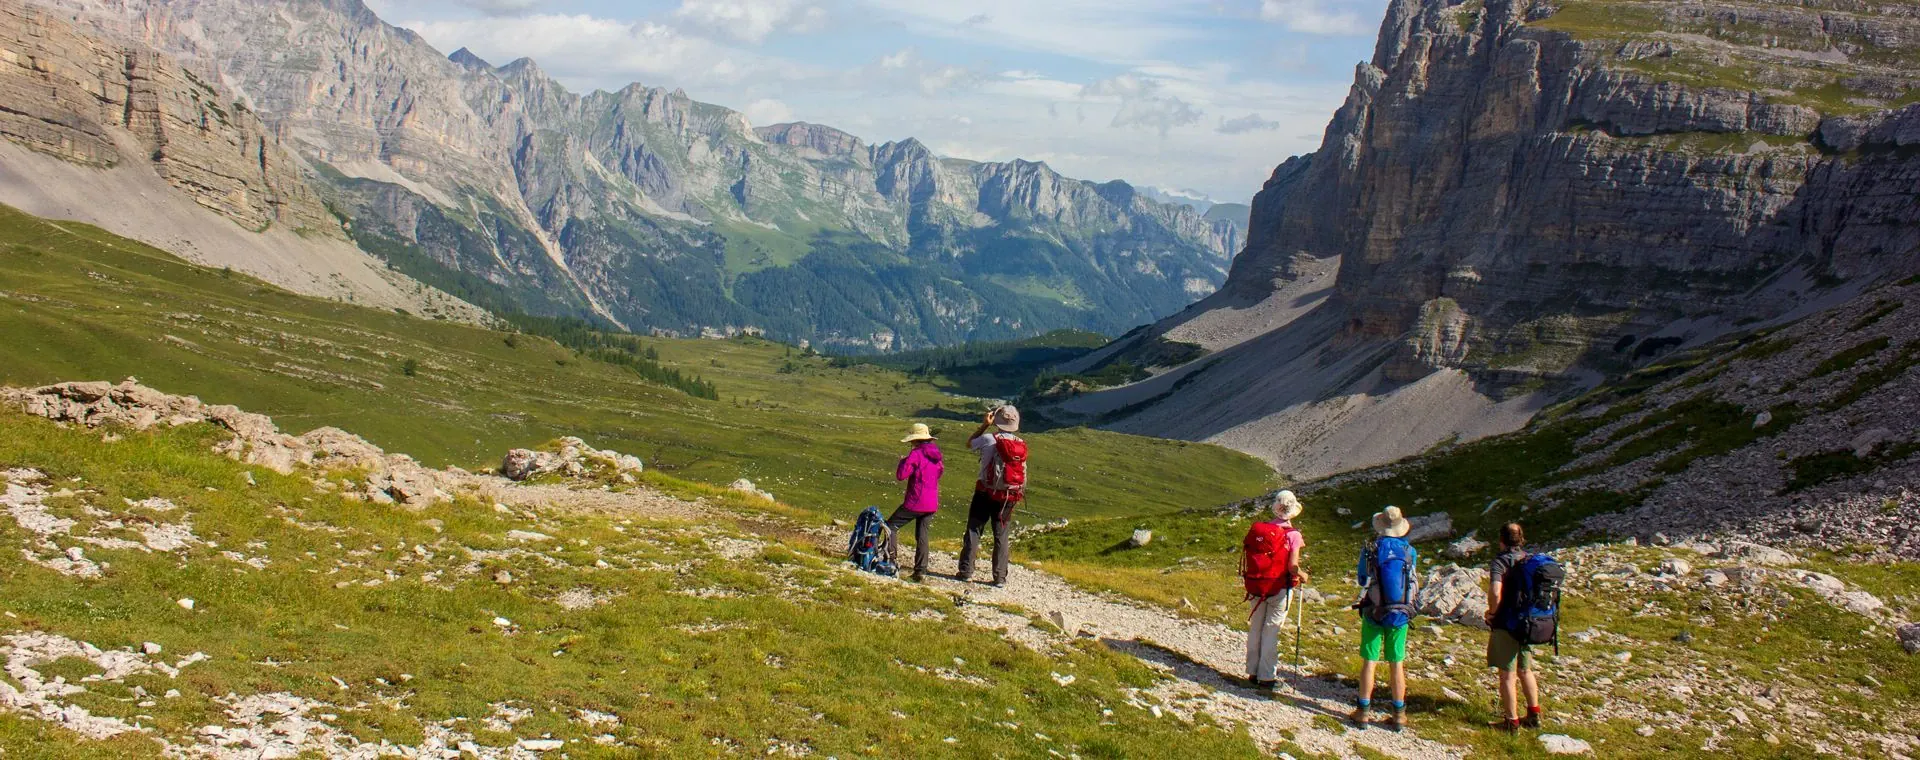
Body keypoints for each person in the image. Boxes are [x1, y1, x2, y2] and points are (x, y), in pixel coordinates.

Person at [1353, 506, 1417, 730]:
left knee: (1369, 661)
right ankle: (1399, 714)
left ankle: (1363, 712)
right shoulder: (1409, 551)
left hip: (1374, 611)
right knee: (1396, 663)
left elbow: (1362, 579)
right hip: (1400, 614)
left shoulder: (1371, 549)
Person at [1243, 490, 1308, 691]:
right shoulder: (1293, 535)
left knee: (1256, 628)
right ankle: (1267, 677)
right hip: (1279, 588)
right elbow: (1292, 566)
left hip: (1257, 585)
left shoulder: (1261, 530)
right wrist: (1303, 574)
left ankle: (1252, 672)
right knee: (1271, 631)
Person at [955, 405, 1024, 587]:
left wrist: (984, 425)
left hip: (984, 491)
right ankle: (1000, 577)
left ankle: (966, 571)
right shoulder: (1020, 444)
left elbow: (969, 443)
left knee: (974, 529)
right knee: (1001, 534)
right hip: (1008, 495)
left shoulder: (987, 439)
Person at [1485, 522, 1543, 732]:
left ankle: (1511, 721)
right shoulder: (1528, 560)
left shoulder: (1500, 562)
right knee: (1525, 670)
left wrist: (1492, 613)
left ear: (1501, 540)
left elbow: (1495, 592)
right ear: (1521, 539)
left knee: (1507, 674)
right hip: (1528, 624)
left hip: (1507, 622)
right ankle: (1534, 714)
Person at [887, 423, 944, 582]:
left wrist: (902, 461)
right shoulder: (936, 455)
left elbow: (901, 475)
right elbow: (939, 472)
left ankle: (890, 562)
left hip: (915, 501)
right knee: (922, 535)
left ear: (915, 439)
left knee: (891, 526)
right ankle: (921, 571)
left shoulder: (916, 454)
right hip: (931, 502)